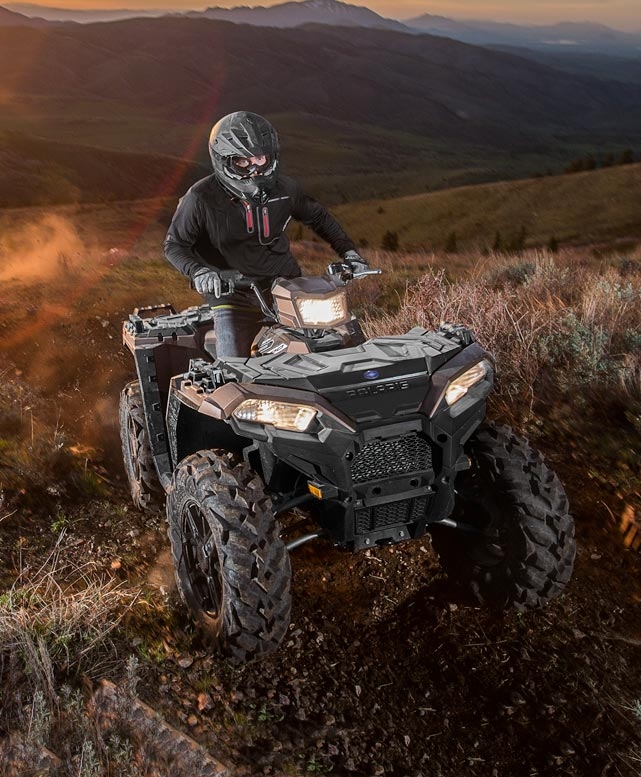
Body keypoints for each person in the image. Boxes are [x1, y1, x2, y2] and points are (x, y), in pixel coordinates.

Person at [164, 111, 368, 358]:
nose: (254, 168)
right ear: (223, 160)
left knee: (344, 347)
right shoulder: (200, 198)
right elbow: (174, 245)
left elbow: (320, 218)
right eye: (243, 161)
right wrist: (199, 272)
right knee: (233, 368)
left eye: (260, 158)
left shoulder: (286, 189)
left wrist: (350, 253)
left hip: (287, 290)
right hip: (232, 297)